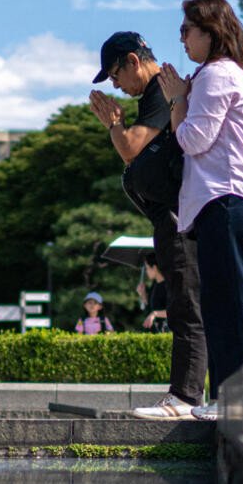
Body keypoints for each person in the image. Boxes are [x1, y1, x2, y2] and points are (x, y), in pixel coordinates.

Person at [157, 0, 243, 422]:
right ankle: (231, 401)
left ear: (211, 32)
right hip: (239, 201)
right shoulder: (239, 75)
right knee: (226, 304)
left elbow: (192, 140)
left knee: (237, 304)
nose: (182, 39)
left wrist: (176, 100)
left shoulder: (215, 75)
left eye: (188, 31)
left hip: (228, 200)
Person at [90, 32, 206, 421]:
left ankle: (186, 397)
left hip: (180, 216)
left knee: (187, 305)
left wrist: (113, 124)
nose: (117, 86)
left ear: (133, 61)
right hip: (170, 216)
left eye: (115, 75)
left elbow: (132, 148)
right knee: (182, 302)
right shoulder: (154, 96)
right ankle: (187, 394)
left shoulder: (159, 89)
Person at [138, 252, 169, 332]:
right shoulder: (155, 284)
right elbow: (150, 309)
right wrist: (143, 295)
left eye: (147, 268)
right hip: (155, 330)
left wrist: (155, 314)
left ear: (154, 268)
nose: (146, 271)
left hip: (166, 331)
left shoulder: (168, 286)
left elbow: (174, 311)